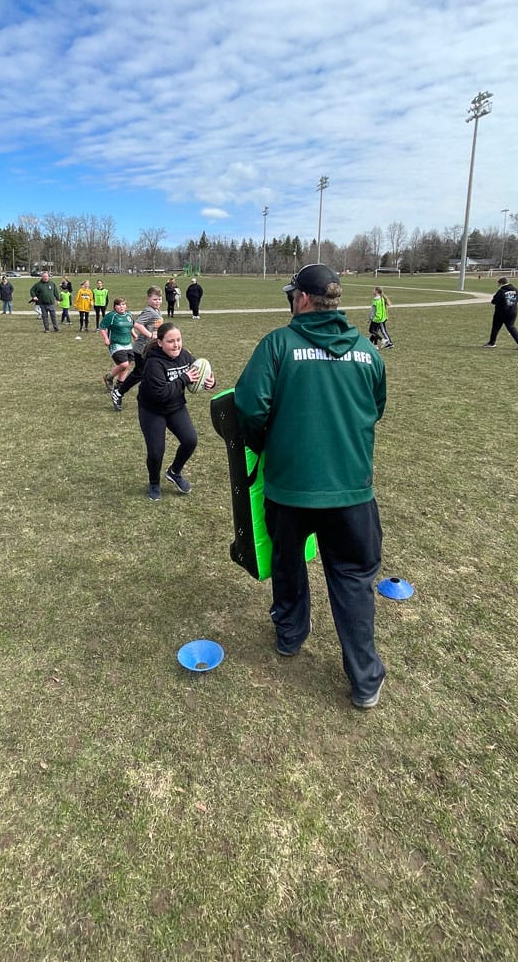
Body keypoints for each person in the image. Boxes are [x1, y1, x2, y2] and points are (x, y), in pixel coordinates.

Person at [234, 263, 388, 710]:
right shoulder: (368, 352)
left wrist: (270, 443)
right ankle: (364, 679)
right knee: (353, 579)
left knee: (288, 563)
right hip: (353, 493)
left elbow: (247, 407)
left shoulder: (278, 345)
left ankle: (290, 633)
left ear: (301, 299)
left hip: (290, 489)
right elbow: (375, 409)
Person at [138, 321, 216, 500]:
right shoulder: (153, 364)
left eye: (178, 340)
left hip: (175, 407)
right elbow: (161, 394)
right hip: (152, 410)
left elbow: (197, 373)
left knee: (190, 440)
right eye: (171, 341)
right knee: (156, 452)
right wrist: (184, 378)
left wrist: (209, 382)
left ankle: (174, 472)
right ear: (160, 343)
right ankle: (154, 483)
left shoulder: (185, 356)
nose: (176, 345)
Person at [112, 287, 163, 411]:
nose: (158, 301)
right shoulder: (149, 311)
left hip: (152, 349)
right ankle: (118, 393)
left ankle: (151, 397)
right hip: (142, 349)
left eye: (160, 299)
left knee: (152, 373)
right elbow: (137, 324)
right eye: (155, 299)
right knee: (139, 374)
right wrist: (150, 335)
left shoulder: (157, 310)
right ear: (148, 299)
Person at [99, 296, 136, 394]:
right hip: (115, 344)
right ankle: (108, 377)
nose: (121, 307)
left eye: (123, 304)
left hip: (127, 343)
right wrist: (106, 338)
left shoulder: (128, 315)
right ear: (115, 307)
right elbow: (102, 327)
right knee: (124, 364)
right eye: (119, 305)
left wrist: (134, 334)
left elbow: (130, 326)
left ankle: (119, 385)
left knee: (127, 366)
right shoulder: (111, 315)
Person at [485, 277, 518, 349]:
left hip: (501, 312)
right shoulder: (516, 290)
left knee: (496, 327)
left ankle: (492, 342)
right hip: (513, 311)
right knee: (511, 326)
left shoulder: (501, 290)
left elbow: (494, 301)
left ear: (501, 283)